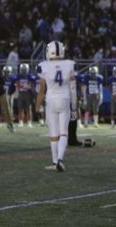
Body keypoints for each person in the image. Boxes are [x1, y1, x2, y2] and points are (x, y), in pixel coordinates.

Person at [37, 40, 76, 171]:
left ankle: (55, 162)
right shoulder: (70, 65)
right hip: (65, 99)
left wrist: (37, 106)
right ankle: (60, 159)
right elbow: (73, 89)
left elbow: (42, 91)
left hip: (51, 100)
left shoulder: (43, 66)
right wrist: (75, 107)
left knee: (53, 133)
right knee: (63, 132)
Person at [15, 63, 36, 127]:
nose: (23, 71)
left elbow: (33, 85)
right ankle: (21, 122)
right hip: (21, 93)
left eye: (24, 69)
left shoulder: (30, 76)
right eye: (22, 69)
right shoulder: (18, 76)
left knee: (28, 108)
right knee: (20, 108)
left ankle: (29, 122)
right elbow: (17, 84)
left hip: (28, 93)